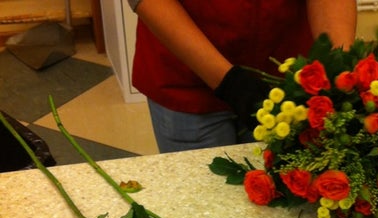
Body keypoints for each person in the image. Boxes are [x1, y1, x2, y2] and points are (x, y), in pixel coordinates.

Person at [127, 0, 358, 152]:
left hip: (283, 82)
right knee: (200, 203)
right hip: (186, 77)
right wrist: (230, 83)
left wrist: (338, 70)